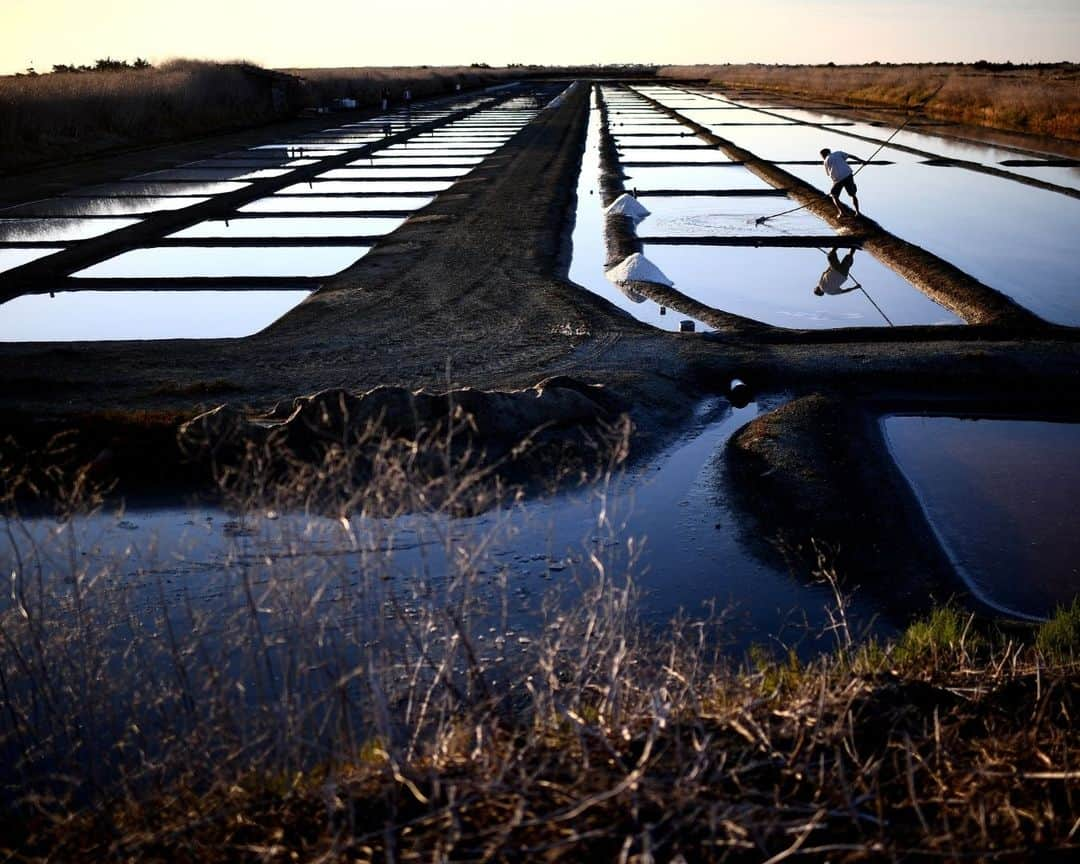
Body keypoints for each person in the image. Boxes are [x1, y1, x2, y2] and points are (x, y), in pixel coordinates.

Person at [820, 148, 863, 217]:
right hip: (848, 175)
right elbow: (850, 156)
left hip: (838, 179)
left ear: (823, 155)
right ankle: (857, 212)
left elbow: (829, 174)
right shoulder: (838, 153)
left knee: (834, 195)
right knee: (853, 194)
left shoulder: (825, 161)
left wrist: (835, 182)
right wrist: (861, 161)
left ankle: (842, 212)